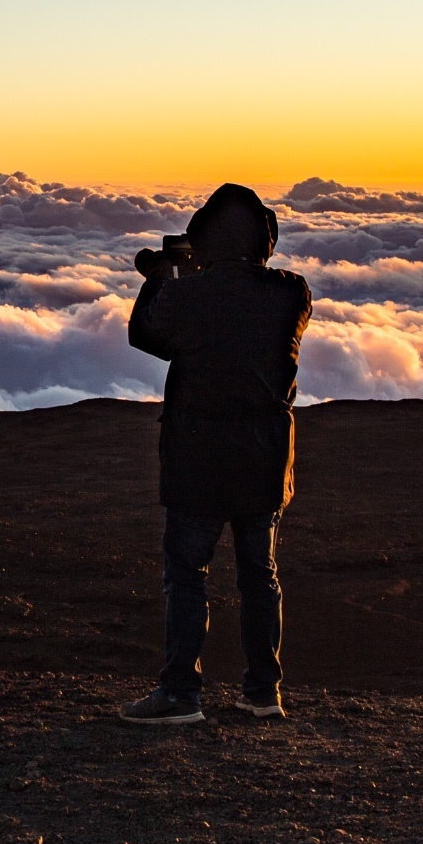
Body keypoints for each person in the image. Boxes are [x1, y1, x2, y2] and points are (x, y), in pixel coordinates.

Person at [120, 183, 311, 725]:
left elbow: (145, 334)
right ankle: (263, 693)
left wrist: (163, 277)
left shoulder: (188, 296)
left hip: (197, 460)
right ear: (265, 239)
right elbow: (244, 311)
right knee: (260, 575)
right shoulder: (292, 292)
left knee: (187, 576)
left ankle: (181, 694)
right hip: (264, 461)